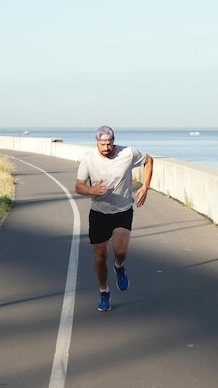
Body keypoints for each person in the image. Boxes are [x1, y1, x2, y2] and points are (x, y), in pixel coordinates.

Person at [75, 125, 153, 312]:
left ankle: (119, 266)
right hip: (99, 213)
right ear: (96, 142)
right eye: (103, 144)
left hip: (122, 210)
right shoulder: (88, 158)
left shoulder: (128, 153)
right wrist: (91, 190)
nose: (107, 148)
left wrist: (145, 186)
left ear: (114, 141)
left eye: (109, 143)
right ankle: (104, 291)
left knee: (120, 252)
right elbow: (78, 186)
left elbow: (149, 160)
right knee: (100, 257)